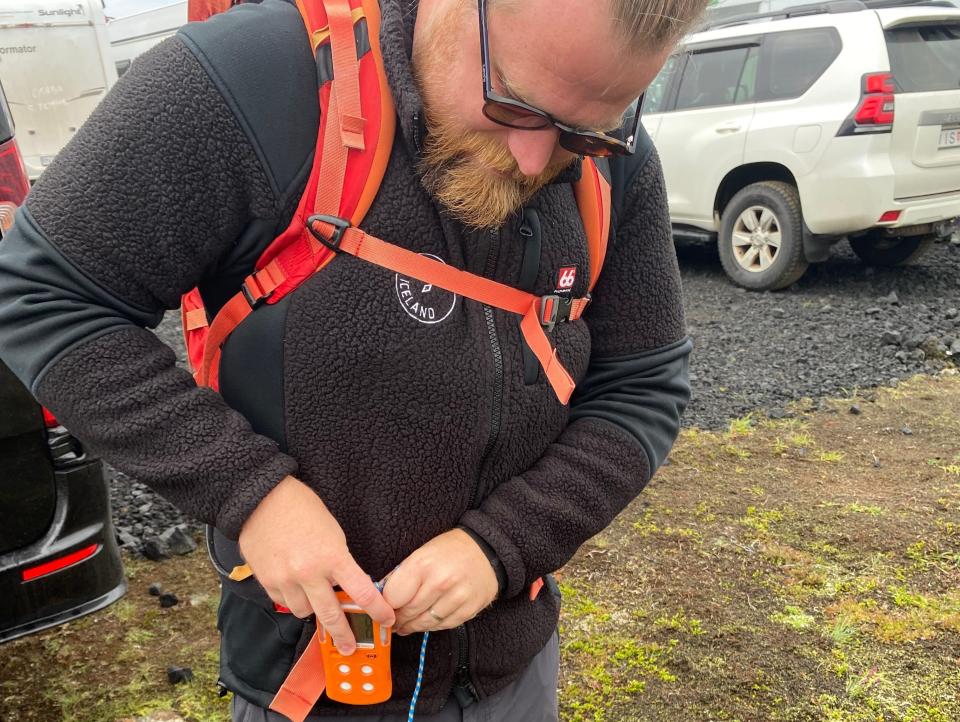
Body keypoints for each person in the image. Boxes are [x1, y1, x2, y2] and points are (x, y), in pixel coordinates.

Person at [0, 0, 706, 719]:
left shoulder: (615, 166)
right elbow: (42, 296)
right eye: (515, 104)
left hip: (513, 675)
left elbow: (642, 388)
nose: (534, 161)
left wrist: (501, 547)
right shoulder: (250, 82)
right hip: (309, 681)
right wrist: (254, 495)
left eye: (590, 129)